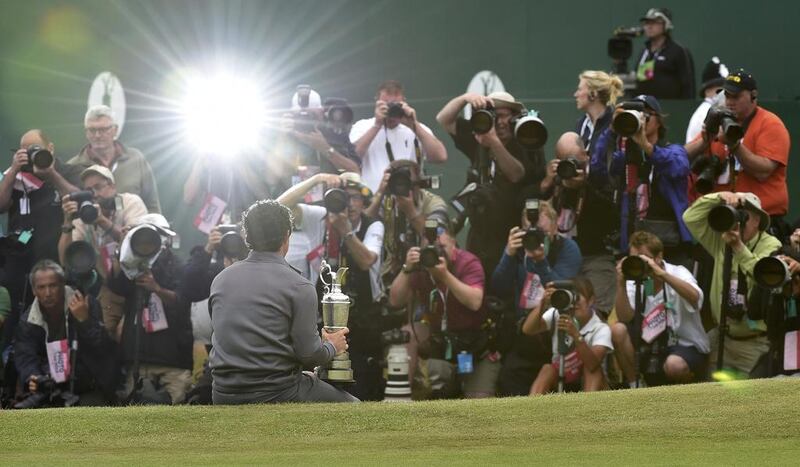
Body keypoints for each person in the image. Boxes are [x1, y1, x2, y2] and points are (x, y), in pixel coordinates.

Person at [209, 200, 356, 404]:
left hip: (223, 394)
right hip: (277, 392)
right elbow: (310, 355)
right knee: (353, 407)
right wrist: (332, 345)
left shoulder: (221, 280)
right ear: (287, 235)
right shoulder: (299, 286)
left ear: (247, 236)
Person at [277, 172, 385, 400]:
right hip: (324, 313)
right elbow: (278, 207)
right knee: (325, 378)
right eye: (342, 196)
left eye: (355, 197)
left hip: (364, 317)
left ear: (364, 200)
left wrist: (345, 231)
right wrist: (316, 180)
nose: (349, 203)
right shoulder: (320, 216)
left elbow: (367, 261)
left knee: (363, 381)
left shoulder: (372, 224)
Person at [436, 91, 546, 281]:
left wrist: (493, 142)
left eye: (504, 115)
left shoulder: (525, 139)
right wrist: (464, 98)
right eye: (494, 116)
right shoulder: (479, 136)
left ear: (514, 117)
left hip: (511, 236)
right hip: (480, 235)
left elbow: (516, 174)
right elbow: (444, 119)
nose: (500, 122)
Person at [389, 215, 494, 399]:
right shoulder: (421, 266)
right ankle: (400, 397)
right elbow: (395, 301)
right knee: (407, 334)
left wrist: (445, 276)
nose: (436, 254)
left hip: (475, 345)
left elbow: (475, 301)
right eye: (430, 248)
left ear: (454, 243)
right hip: (439, 338)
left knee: (478, 401)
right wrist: (407, 268)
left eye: (442, 248)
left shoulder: (468, 262)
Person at [683, 192, 781, 377]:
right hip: (722, 337)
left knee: (749, 400)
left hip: (754, 341)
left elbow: (763, 275)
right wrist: (721, 197)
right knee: (713, 396)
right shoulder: (721, 239)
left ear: (757, 221)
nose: (738, 222)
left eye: (744, 216)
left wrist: (738, 248)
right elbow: (690, 217)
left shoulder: (771, 244)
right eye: (736, 214)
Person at [0, 129, 81, 353]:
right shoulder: (16, 175)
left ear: (51, 148)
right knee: (16, 317)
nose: (32, 154)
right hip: (19, 260)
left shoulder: (67, 170)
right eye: (25, 150)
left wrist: (51, 174)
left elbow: (79, 197)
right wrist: (15, 168)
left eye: (37, 149)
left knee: (54, 317)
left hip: (55, 257)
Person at [684, 69, 791, 238]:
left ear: (753, 96)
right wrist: (705, 140)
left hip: (760, 220)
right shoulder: (720, 120)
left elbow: (763, 171)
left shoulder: (770, 123)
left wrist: (734, 146)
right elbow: (683, 156)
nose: (730, 102)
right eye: (727, 96)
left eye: (736, 96)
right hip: (721, 219)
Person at [492, 201, 582, 396]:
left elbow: (561, 290)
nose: (536, 236)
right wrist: (508, 254)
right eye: (530, 231)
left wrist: (541, 262)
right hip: (525, 330)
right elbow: (499, 287)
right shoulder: (518, 250)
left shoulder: (568, 248)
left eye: (541, 230)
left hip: (557, 328)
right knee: (509, 380)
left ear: (555, 226)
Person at [592, 95, 693, 267]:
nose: (642, 120)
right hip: (633, 245)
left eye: (646, 115)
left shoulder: (672, 150)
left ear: (659, 121)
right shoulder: (624, 157)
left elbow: (679, 167)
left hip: (669, 247)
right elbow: (597, 169)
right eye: (636, 115)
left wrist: (646, 146)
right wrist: (611, 129)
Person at [108, 214, 192, 404]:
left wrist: (157, 289)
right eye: (142, 238)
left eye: (155, 237)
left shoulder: (178, 265)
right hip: (138, 358)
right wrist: (122, 247)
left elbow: (182, 301)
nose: (148, 244)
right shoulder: (131, 265)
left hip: (173, 360)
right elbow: (115, 284)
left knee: (175, 416)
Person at [58, 165, 147, 337]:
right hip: (110, 286)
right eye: (89, 190)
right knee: (105, 334)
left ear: (112, 186)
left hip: (139, 279)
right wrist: (67, 222)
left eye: (99, 187)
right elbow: (64, 258)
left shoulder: (130, 202)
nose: (95, 194)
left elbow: (136, 243)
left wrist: (101, 221)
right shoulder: (85, 213)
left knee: (130, 335)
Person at [13, 260, 117, 408]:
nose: (48, 293)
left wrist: (84, 320)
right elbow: (25, 357)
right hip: (50, 385)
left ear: (62, 285)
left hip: (87, 383)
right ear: (34, 291)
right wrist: (32, 377)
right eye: (41, 287)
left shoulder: (85, 303)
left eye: (53, 286)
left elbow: (102, 347)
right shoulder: (28, 320)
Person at [612, 231, 709, 387]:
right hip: (650, 344)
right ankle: (635, 387)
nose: (639, 263)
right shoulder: (636, 278)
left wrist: (662, 275)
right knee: (617, 330)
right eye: (634, 258)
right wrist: (621, 285)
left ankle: (686, 394)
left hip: (684, 344)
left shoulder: (678, 272)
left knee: (674, 366)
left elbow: (695, 298)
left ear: (658, 257)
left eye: (643, 258)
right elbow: (625, 317)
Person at [545, 132, 618, 316]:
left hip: (596, 255)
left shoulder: (600, 175)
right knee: (558, 310)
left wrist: (584, 187)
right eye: (564, 161)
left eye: (575, 161)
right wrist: (549, 183)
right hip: (563, 256)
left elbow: (611, 215)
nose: (570, 167)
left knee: (596, 314)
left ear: (586, 155)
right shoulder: (555, 182)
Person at [350, 80, 447, 192]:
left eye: (396, 105)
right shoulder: (363, 126)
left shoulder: (416, 128)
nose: (391, 109)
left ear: (404, 103)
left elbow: (440, 157)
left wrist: (413, 125)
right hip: (372, 199)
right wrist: (377, 125)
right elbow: (352, 158)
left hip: (408, 199)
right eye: (387, 104)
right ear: (377, 102)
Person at [522, 277, 613, 394]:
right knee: (547, 369)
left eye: (577, 298)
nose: (574, 304)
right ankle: (532, 408)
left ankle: (589, 410)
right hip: (561, 373)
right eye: (571, 297)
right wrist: (542, 304)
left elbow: (592, 365)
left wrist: (576, 336)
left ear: (591, 300)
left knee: (592, 371)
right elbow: (528, 329)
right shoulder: (558, 313)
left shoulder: (601, 328)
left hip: (589, 379)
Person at [364, 160, 448, 286]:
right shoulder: (387, 201)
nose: (404, 188)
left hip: (427, 269)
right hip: (391, 272)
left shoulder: (434, 203)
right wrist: (381, 192)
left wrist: (411, 212)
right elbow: (364, 223)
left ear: (419, 183)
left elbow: (437, 238)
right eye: (398, 183)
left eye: (409, 183)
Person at [67, 105, 161, 213]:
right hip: (90, 228)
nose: (97, 135)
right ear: (86, 133)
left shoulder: (135, 159)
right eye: (92, 130)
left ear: (115, 130)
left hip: (135, 226)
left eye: (103, 129)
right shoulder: (73, 166)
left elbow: (152, 203)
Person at [633, 8, 695, 99]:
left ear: (666, 25)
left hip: (672, 108)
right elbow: (639, 81)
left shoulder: (678, 51)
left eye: (654, 22)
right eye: (647, 23)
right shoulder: (644, 52)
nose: (649, 26)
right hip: (646, 108)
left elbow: (687, 85)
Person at [572, 70, 624, 154]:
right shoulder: (581, 124)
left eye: (579, 89)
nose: (575, 94)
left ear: (593, 93)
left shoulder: (615, 122)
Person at [685, 57, 728, 143]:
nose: (724, 92)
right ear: (707, 91)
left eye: (725, 87)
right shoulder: (706, 112)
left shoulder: (715, 109)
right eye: (720, 87)